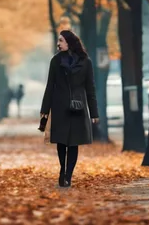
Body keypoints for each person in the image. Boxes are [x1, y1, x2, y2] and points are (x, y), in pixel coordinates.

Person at [40, 30, 99, 188]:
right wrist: (45, 109)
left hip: (78, 107)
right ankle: (62, 170)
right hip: (59, 107)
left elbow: (90, 88)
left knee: (74, 143)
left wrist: (94, 113)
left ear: (69, 42)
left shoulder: (86, 62)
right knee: (61, 142)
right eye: (58, 41)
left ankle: (68, 175)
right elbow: (49, 86)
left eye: (61, 40)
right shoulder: (56, 61)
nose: (58, 43)